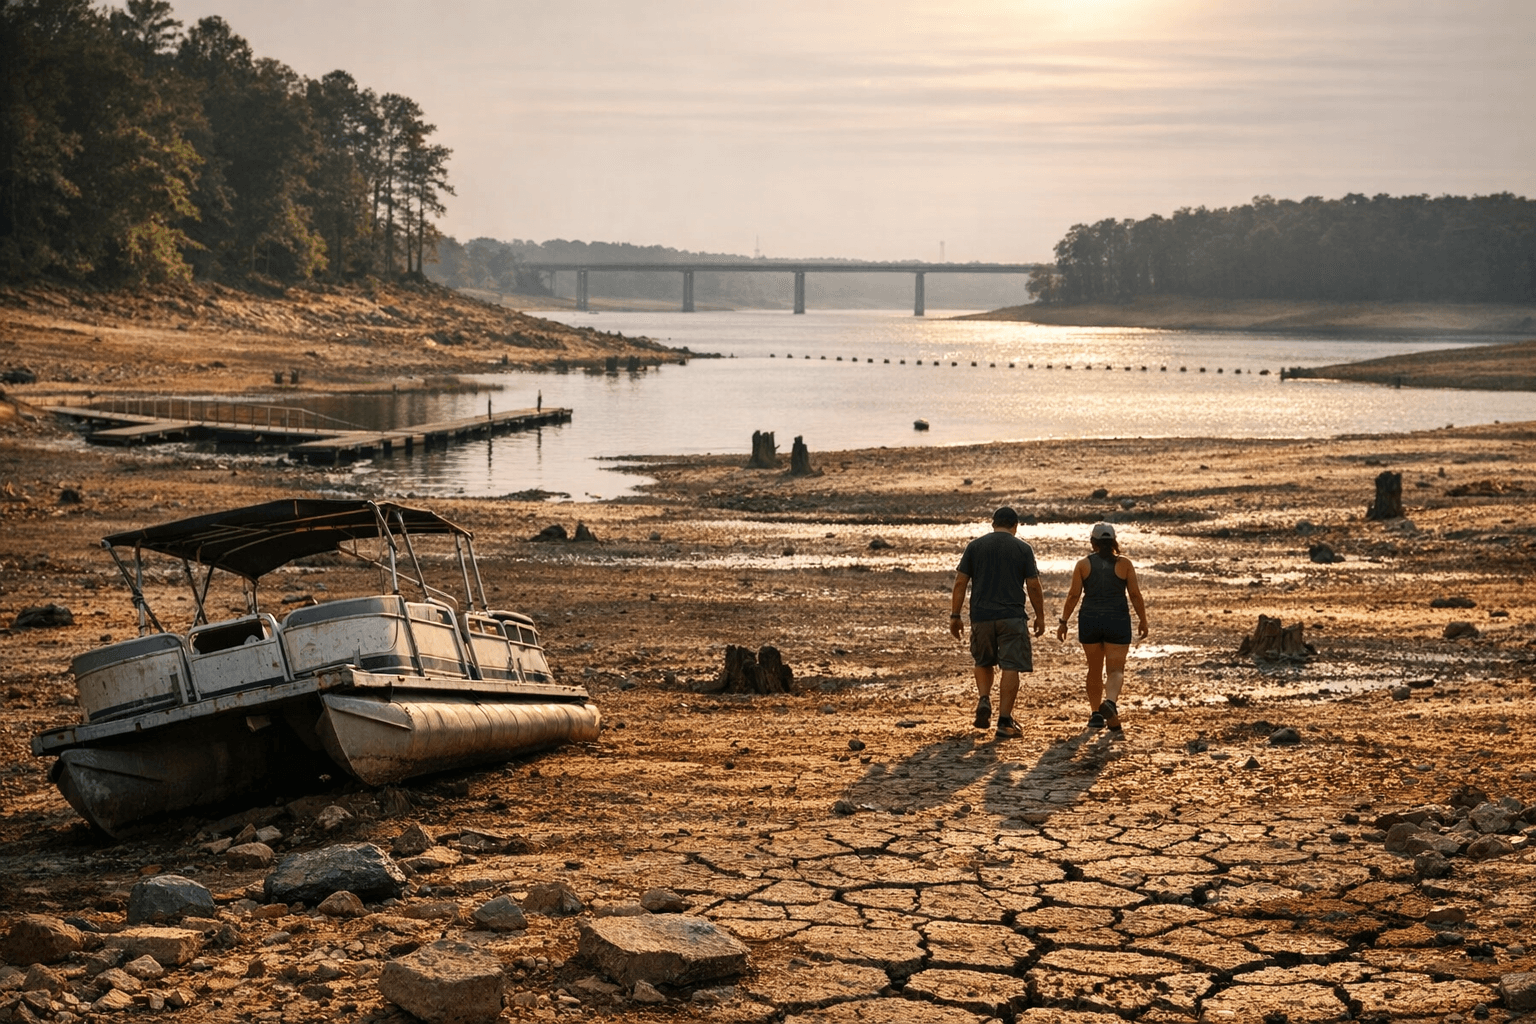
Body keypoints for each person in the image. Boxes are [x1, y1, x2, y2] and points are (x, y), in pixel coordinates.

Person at [950, 506, 1046, 739]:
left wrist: (955, 615)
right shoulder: (1023, 548)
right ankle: (1004, 721)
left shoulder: (975, 546)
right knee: (1010, 666)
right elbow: (1033, 585)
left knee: (983, 660)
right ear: (1015, 526)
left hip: (981, 616)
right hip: (1012, 617)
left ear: (993, 524)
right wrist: (1040, 616)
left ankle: (984, 698)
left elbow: (961, 582)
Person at [1056, 522, 1148, 736]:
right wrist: (1142, 619)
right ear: (1114, 542)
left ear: (1093, 543)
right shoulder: (1124, 564)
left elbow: (1073, 595)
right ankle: (1111, 703)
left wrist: (1063, 621)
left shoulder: (1083, 565)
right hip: (1117, 619)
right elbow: (1135, 594)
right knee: (1116, 670)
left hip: (1090, 619)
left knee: (1094, 668)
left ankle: (1096, 714)